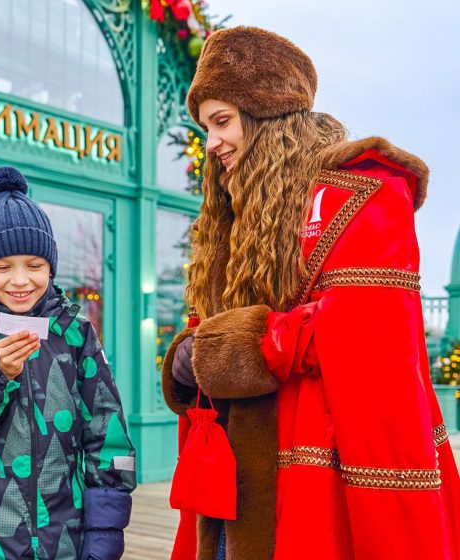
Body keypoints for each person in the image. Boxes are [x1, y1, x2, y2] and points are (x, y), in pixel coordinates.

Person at [161, 26, 460, 560]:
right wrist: (189, 354)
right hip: (232, 480)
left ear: (267, 115)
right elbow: (214, 325)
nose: (212, 143)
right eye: (206, 126)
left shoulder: (362, 192)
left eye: (222, 121)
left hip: (314, 474)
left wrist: (235, 345)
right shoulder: (238, 210)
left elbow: (364, 328)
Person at [0, 166, 137, 560]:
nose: (20, 280)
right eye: (3, 267)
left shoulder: (76, 333)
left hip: (69, 539)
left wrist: (105, 535)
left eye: (35, 265)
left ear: (51, 267)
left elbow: (107, 437)